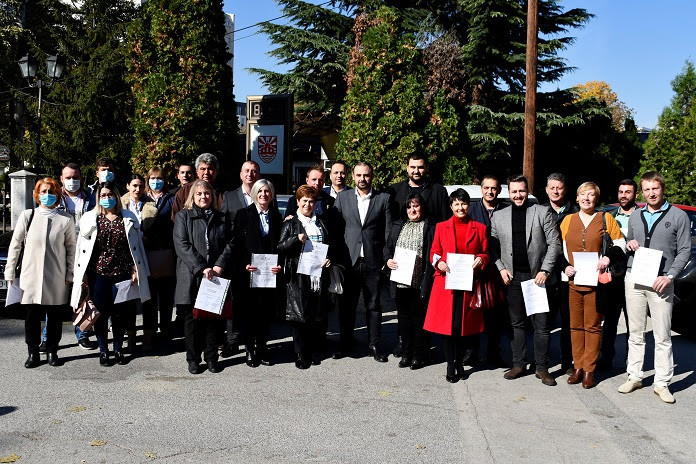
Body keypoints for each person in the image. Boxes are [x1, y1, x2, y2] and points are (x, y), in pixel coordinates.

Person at [618, 171, 691, 404]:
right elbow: (630, 242)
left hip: (661, 281)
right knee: (635, 332)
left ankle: (662, 383)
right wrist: (630, 244)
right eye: (647, 189)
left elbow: (685, 251)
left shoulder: (679, 216)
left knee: (662, 335)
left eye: (655, 188)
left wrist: (670, 275)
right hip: (635, 278)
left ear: (662, 189)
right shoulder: (636, 215)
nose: (651, 193)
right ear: (642, 191)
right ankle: (635, 375)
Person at [71, 181, 151, 366]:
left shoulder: (128, 217)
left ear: (117, 195)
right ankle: (104, 351)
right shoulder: (90, 218)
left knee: (120, 314)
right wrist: (81, 275)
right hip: (98, 274)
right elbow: (81, 249)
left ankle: (118, 349)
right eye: (103, 195)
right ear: (98, 198)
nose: (107, 198)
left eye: (110, 195)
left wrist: (135, 269)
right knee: (101, 313)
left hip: (122, 274)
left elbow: (136, 247)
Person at [490, 175, 561, 386]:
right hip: (512, 278)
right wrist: (501, 269)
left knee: (541, 325)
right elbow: (492, 247)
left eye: (521, 191)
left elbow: (554, 244)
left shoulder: (541, 212)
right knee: (516, 323)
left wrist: (545, 271)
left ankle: (542, 368)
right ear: (508, 193)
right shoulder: (499, 216)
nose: (518, 195)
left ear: (527, 191)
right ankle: (519, 364)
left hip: (537, 278)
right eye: (514, 192)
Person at [559, 182, 625, 389]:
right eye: (583, 194)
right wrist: (565, 266)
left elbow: (621, 243)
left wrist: (607, 258)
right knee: (575, 326)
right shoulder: (567, 220)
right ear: (577, 198)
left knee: (593, 327)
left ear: (596, 199)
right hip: (573, 282)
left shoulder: (606, 219)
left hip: (597, 284)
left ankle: (589, 369)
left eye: (591, 195)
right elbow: (559, 248)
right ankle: (577, 366)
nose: (587, 198)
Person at [5, 178, 76, 368]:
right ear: (36, 195)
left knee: (54, 317)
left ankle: (52, 350)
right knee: (31, 318)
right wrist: (10, 270)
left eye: (51, 192)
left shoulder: (66, 219)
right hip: (30, 277)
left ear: (58, 196)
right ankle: (33, 352)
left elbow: (72, 248)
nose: (47, 195)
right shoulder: (28, 216)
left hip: (56, 276)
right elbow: (15, 245)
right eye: (43, 192)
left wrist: (71, 274)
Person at [423, 189, 488, 382]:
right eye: (456, 204)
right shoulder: (441, 227)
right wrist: (439, 263)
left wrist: (480, 259)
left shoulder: (480, 228)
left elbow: (486, 253)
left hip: (468, 284)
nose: (460, 207)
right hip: (446, 284)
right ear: (451, 206)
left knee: (462, 328)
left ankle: (459, 362)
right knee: (448, 328)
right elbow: (434, 252)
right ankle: (451, 365)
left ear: (469, 205)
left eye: (464, 203)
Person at [333, 162, 392, 362]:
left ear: (372, 176)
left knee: (373, 305)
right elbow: (336, 230)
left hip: (373, 261)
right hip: (349, 261)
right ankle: (345, 344)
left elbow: (388, 232)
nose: (362, 179)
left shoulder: (383, 199)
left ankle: (374, 345)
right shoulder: (342, 198)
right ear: (353, 177)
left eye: (366, 175)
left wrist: (385, 258)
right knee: (346, 305)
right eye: (358, 175)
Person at [173, 180, 233, 374]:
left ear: (212, 197)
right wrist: (201, 267)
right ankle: (193, 359)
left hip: (214, 275)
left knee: (213, 320)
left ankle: (211, 357)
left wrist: (219, 265)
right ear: (193, 196)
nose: (203, 197)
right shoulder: (183, 216)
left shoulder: (222, 217)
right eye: (199, 194)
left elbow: (230, 243)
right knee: (192, 320)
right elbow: (182, 244)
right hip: (192, 275)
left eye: (207, 194)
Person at [39, 163, 97, 351]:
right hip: (59, 252)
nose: (73, 181)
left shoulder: (90, 199)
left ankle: (83, 332)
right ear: (61, 179)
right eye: (69, 178)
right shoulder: (54, 198)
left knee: (83, 294)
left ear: (81, 178)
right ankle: (47, 338)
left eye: (76, 177)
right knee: (54, 297)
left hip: (84, 250)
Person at [278, 185, 333, 369]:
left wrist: (328, 260)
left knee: (313, 315)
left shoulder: (321, 223)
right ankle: (300, 353)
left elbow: (328, 245)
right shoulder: (291, 223)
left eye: (311, 201)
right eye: (304, 201)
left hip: (318, 274)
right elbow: (280, 248)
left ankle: (311, 350)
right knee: (299, 315)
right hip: (298, 275)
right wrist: (295, 239)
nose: (308, 205)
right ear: (298, 202)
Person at [232, 179, 283, 367]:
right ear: (254, 193)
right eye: (260, 191)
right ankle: (249, 349)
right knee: (249, 313)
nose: (263, 194)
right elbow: (237, 245)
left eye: (267, 191)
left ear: (272, 194)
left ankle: (262, 347)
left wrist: (280, 265)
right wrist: (244, 263)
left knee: (265, 313)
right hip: (249, 273)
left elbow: (280, 246)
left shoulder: (277, 216)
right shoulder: (243, 215)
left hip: (269, 274)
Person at [384, 193, 435, 370]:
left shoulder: (429, 227)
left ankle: (418, 355)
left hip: (420, 282)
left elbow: (433, 254)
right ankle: (406, 353)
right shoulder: (398, 225)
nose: (412, 210)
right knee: (404, 320)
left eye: (416, 206)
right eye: (409, 207)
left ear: (422, 207)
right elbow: (388, 248)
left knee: (418, 320)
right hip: (400, 282)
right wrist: (388, 260)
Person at [467, 175, 508, 367]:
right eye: (486, 188)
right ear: (480, 189)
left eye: (494, 188)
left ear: (499, 191)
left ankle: (494, 352)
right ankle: (471, 351)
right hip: (475, 269)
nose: (490, 192)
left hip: (500, 269)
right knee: (474, 310)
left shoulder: (506, 209)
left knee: (495, 314)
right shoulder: (472, 210)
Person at [598, 179, 637, 369]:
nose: (623, 195)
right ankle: (606, 359)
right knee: (610, 320)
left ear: (635, 195)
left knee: (633, 323)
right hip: (614, 275)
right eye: (621, 191)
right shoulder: (609, 216)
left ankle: (632, 363)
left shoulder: (642, 216)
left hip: (635, 273)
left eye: (628, 192)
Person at [543, 173, 579, 375]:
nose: (556, 191)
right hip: (545, 275)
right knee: (543, 321)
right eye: (552, 188)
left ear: (565, 190)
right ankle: (542, 361)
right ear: (546, 189)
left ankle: (567, 362)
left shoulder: (576, 212)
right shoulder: (538, 210)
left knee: (567, 320)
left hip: (569, 275)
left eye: (559, 187)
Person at [121, 174, 158, 351]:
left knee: (147, 301)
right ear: (128, 186)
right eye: (134, 185)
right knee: (129, 301)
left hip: (146, 257)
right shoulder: (119, 206)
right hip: (126, 257)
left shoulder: (151, 206)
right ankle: (131, 337)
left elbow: (160, 231)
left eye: (141, 186)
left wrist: (149, 238)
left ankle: (149, 338)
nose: (137, 189)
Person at [144, 166, 177, 343]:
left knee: (166, 296)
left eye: (159, 178)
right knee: (149, 297)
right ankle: (149, 332)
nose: (156, 181)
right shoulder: (143, 198)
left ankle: (165, 329)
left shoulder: (171, 198)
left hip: (165, 252)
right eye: (152, 178)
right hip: (146, 253)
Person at [387, 154, 451, 223]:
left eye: (420, 167)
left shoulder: (439, 190)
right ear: (407, 168)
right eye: (413, 167)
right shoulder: (395, 190)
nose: (416, 171)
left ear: (427, 168)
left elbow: (446, 221)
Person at [171, 153, 225, 220]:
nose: (206, 172)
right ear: (197, 172)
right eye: (203, 169)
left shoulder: (223, 194)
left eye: (210, 169)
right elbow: (175, 216)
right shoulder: (185, 191)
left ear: (216, 172)